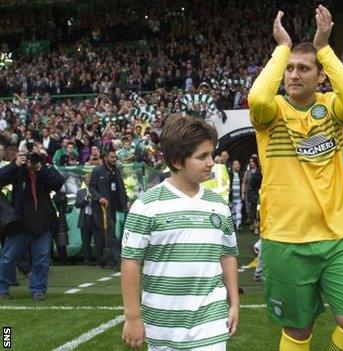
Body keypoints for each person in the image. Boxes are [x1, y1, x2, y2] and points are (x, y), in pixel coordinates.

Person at [248, 6, 343, 350]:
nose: (294, 75)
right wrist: (282, 48)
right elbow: (258, 95)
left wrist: (324, 47)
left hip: (336, 238)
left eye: (303, 68)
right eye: (289, 69)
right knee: (298, 331)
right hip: (285, 240)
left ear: (320, 76)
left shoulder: (331, 108)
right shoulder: (271, 114)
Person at [121, 114, 239, 351]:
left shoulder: (218, 206)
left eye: (211, 155)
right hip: (162, 325)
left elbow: (227, 255)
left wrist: (234, 302)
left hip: (211, 322)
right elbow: (130, 262)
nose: (211, 162)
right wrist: (132, 317)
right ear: (176, 161)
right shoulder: (146, 205)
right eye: (202, 156)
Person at [0, 147, 65, 300]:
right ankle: (2, 288)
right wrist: (15, 164)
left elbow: (58, 182)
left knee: (41, 260)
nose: (30, 160)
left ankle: (38, 290)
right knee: (8, 257)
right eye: (28, 157)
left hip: (43, 224)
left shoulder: (43, 169)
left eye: (33, 157)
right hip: (20, 224)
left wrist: (39, 167)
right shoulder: (17, 170)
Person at [89, 148, 129, 268]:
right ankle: (117, 260)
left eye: (115, 157)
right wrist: (99, 197)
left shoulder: (116, 171)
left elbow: (121, 187)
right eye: (112, 157)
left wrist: (126, 201)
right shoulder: (97, 171)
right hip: (101, 208)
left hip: (113, 207)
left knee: (107, 234)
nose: (114, 159)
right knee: (109, 233)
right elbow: (91, 188)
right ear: (105, 158)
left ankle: (106, 260)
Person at [75, 172, 98, 265]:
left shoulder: (97, 190)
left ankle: (99, 259)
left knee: (98, 240)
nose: (88, 181)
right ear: (84, 181)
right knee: (86, 241)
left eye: (89, 179)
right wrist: (85, 199)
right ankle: (87, 260)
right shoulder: (80, 192)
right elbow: (77, 204)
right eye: (86, 179)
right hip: (84, 219)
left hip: (95, 218)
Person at [229, 159, 243, 230]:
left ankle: (238, 225)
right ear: (232, 166)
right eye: (236, 164)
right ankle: (235, 225)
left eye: (238, 164)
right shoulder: (229, 174)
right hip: (231, 197)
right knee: (233, 212)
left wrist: (243, 194)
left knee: (238, 211)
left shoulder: (241, 174)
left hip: (238, 198)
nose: (238, 165)